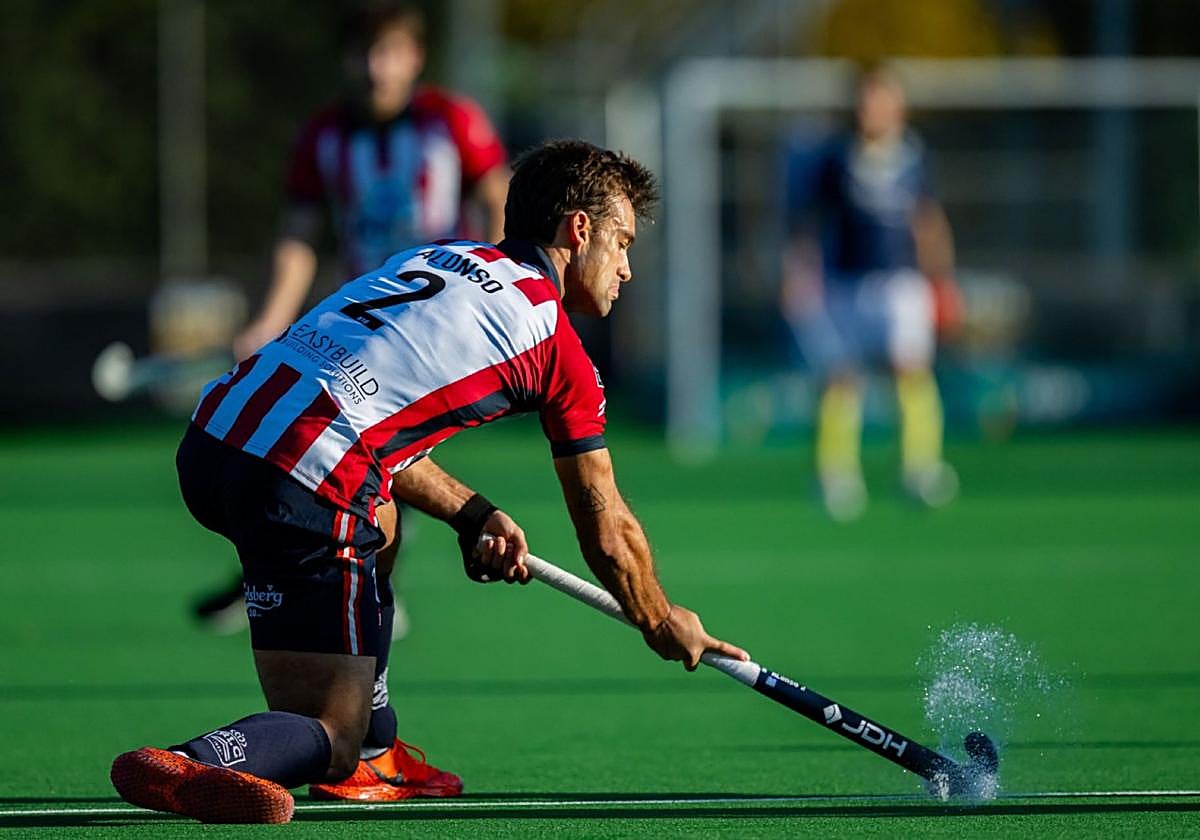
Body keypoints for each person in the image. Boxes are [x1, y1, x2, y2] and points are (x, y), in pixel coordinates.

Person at [110, 140, 750, 824]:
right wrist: (658, 618)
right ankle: (198, 761)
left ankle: (379, 753)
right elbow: (607, 527)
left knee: (379, 519)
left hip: (215, 442)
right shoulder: (555, 345)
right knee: (329, 732)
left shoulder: (441, 256)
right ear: (579, 230)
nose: (626, 267)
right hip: (304, 479)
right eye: (621, 242)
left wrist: (472, 512)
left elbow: (366, 411)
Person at [194, 0, 509, 633]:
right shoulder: (323, 137)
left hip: (440, 321)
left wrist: (496, 291)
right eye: (364, 53)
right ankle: (317, 578)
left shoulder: (453, 123)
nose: (375, 68)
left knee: (375, 454)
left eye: (389, 52)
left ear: (415, 58)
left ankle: (349, 585)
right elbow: (301, 237)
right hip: (364, 317)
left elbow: (497, 196)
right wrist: (271, 320)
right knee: (336, 443)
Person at [781, 65, 962, 522]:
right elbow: (807, 223)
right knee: (841, 379)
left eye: (882, 99)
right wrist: (799, 274)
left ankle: (919, 469)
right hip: (845, 282)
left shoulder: (915, 156)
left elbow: (928, 220)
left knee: (911, 371)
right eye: (866, 99)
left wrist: (942, 279)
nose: (873, 109)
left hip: (901, 283)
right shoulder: (834, 157)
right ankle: (834, 474)